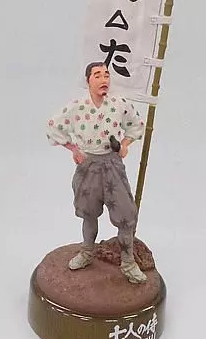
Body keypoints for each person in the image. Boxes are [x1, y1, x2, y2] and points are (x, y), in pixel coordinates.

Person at [46, 62, 147, 284]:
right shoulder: (77, 107)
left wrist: (124, 144)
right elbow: (53, 126)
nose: (104, 79)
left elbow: (136, 125)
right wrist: (74, 149)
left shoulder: (119, 104)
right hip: (88, 166)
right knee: (89, 212)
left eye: (106, 75)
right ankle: (87, 252)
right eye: (98, 75)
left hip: (112, 165)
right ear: (88, 80)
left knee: (126, 215)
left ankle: (128, 262)